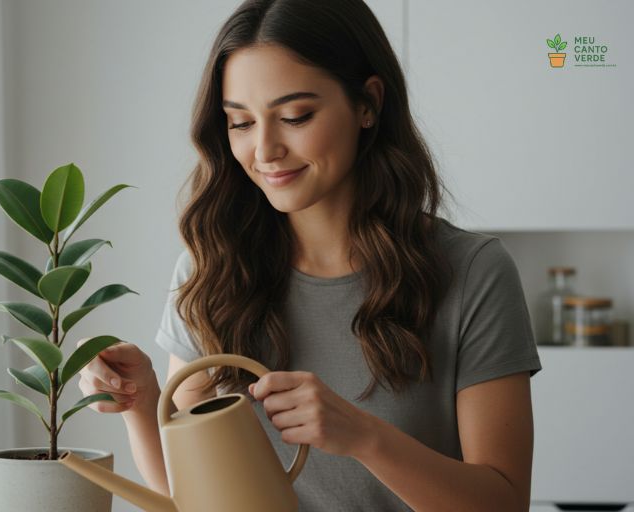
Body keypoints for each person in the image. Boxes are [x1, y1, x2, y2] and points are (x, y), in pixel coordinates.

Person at [77, 0, 543, 510]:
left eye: (294, 116)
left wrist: (365, 436)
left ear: (368, 103)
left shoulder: (471, 272)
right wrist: (141, 403)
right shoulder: (213, 266)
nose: (264, 149)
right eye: (240, 123)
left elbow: (505, 502)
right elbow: (191, 498)